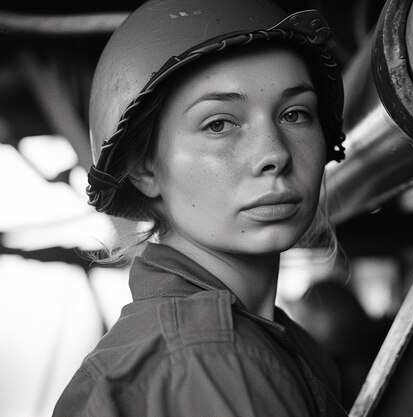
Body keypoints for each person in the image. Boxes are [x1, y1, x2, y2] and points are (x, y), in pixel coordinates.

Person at [53, 0, 347, 415]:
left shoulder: (260, 342)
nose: (275, 154)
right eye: (218, 124)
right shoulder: (208, 359)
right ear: (143, 167)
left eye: (295, 114)